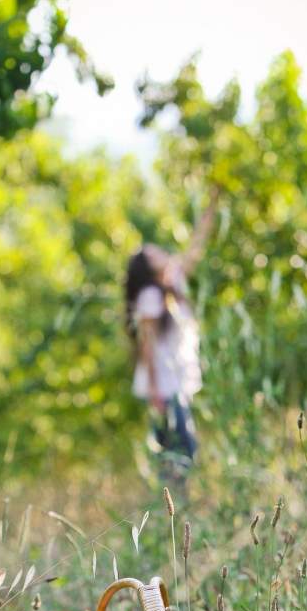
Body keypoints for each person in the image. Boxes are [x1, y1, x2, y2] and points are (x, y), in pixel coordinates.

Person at [125, 195, 218, 470]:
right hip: (163, 384)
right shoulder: (151, 296)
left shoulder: (171, 285)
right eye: (153, 254)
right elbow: (148, 345)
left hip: (176, 379)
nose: (162, 253)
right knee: (180, 449)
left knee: (178, 448)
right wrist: (155, 390)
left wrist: (210, 212)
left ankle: (175, 501)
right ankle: (173, 503)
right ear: (147, 268)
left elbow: (193, 251)